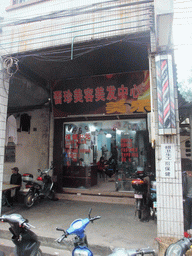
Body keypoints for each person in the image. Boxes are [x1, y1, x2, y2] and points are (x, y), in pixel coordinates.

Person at [183, 169, 192, 238]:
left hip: (188, 198)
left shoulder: (185, 176)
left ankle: (187, 231)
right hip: (188, 197)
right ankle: (188, 230)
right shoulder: (185, 176)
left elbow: (183, 187)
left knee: (187, 215)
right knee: (188, 215)